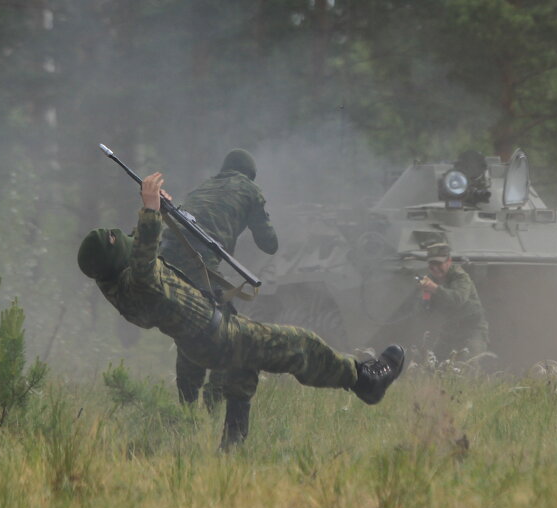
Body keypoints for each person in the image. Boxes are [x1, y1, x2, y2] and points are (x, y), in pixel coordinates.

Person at [79, 172, 404, 449]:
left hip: (205, 340)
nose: (125, 236)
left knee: (242, 370)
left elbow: (139, 246)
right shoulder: (139, 280)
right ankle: (364, 381)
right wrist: (149, 207)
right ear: (115, 257)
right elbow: (145, 253)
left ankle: (232, 445)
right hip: (216, 336)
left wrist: (161, 210)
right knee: (300, 344)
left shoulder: (120, 282)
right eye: (115, 239)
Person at [159, 149, 278, 415]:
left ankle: (187, 408)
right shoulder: (250, 189)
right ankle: (212, 404)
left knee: (190, 325)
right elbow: (269, 244)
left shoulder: (205, 186)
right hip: (198, 259)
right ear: (250, 175)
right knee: (225, 331)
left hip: (166, 254)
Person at [418, 242, 490, 361]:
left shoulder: (460, 277)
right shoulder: (431, 279)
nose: (435, 268)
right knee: (434, 365)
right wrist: (425, 297)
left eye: (439, 263)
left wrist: (435, 289)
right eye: (432, 264)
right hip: (450, 329)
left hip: (472, 329)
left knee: (470, 365)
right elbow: (426, 310)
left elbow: (457, 299)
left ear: (448, 261)